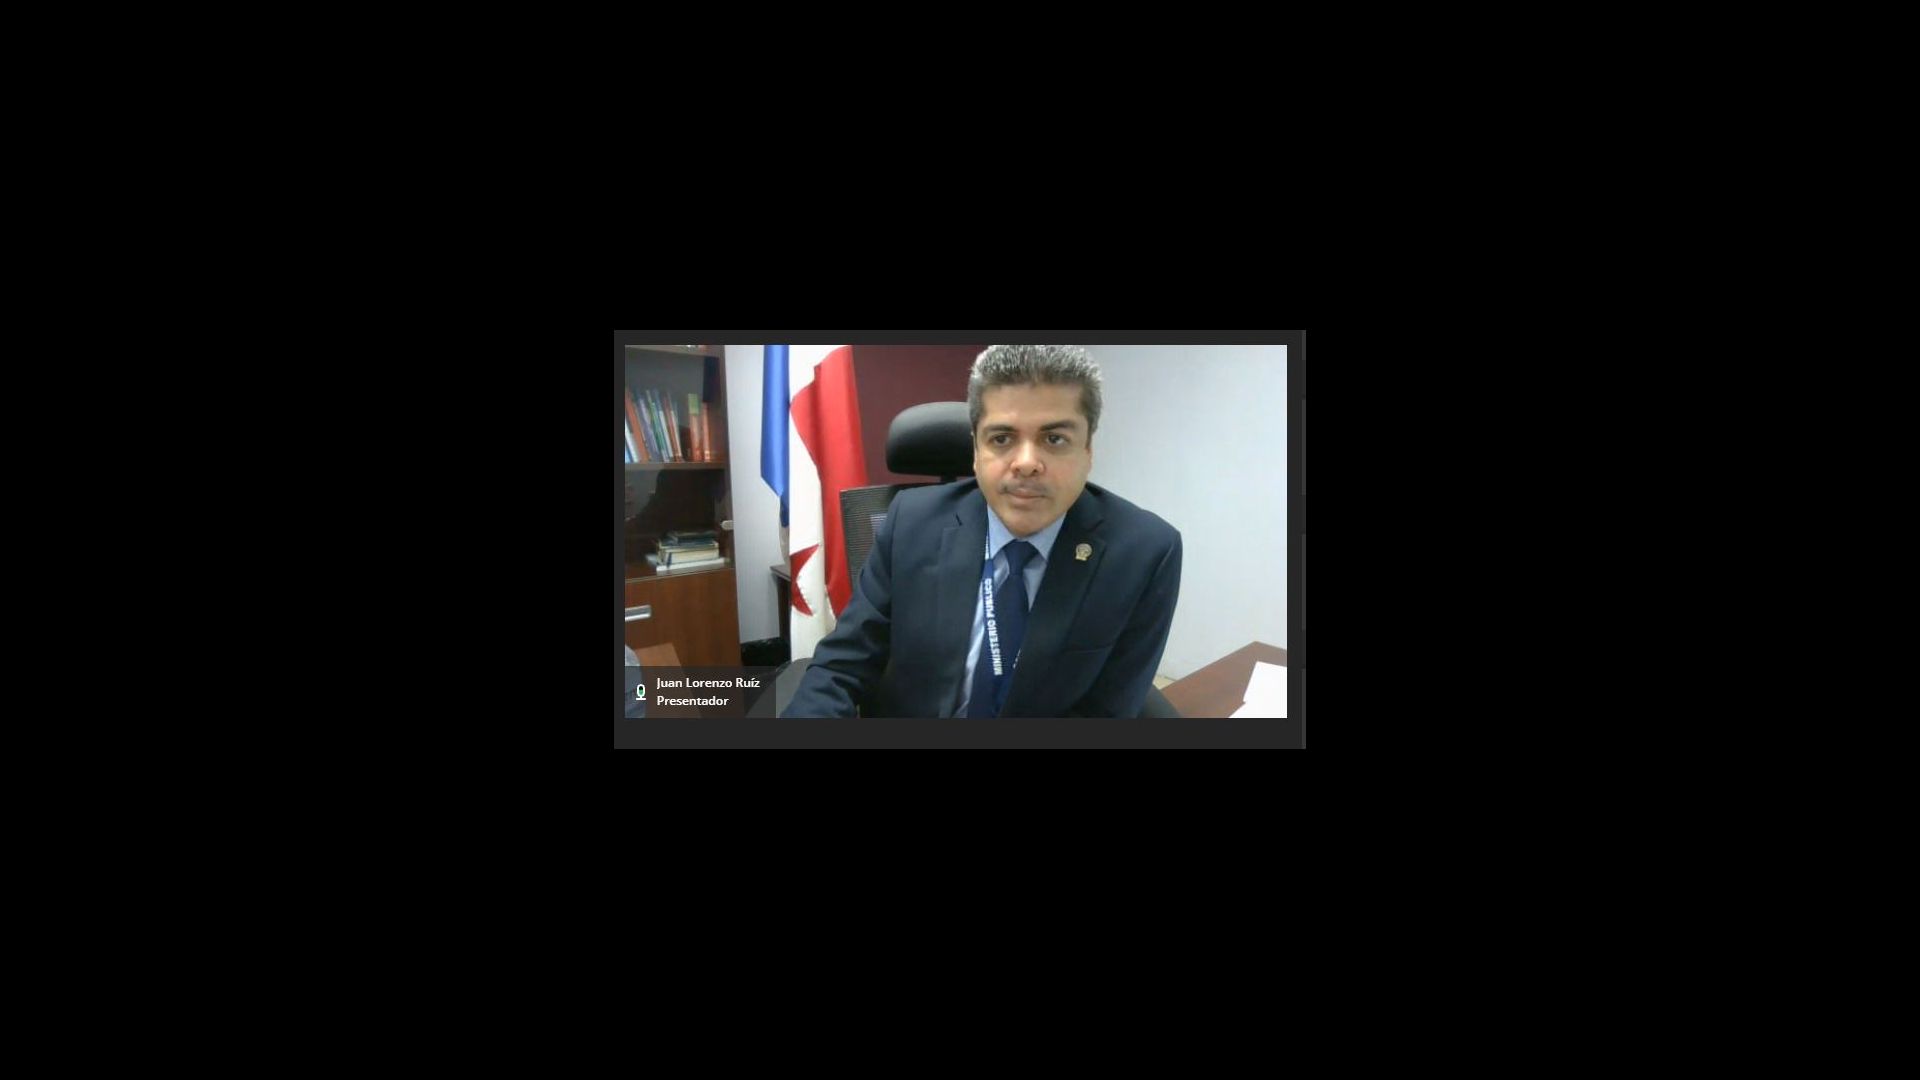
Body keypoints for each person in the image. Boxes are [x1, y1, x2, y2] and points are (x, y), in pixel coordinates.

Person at [782, 345, 1181, 718]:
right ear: (975, 450)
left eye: (1055, 438)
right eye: (1002, 438)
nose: (1027, 463)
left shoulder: (1144, 553)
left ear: (1087, 451)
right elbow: (840, 667)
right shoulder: (909, 523)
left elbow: (1109, 711)